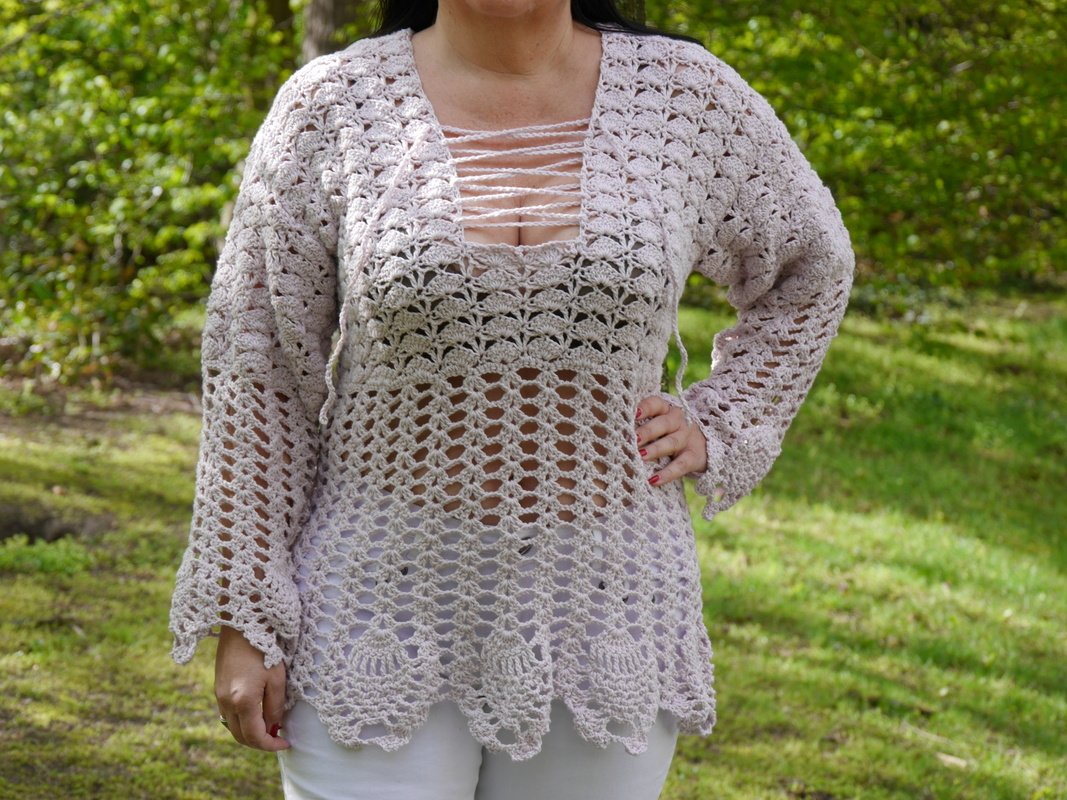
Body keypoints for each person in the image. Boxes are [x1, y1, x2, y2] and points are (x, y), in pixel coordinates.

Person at [168, 0, 856, 795]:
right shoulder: (334, 105)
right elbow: (257, 369)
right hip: (371, 604)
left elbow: (813, 264)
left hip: (608, 604)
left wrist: (724, 418)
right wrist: (245, 611)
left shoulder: (684, 97)